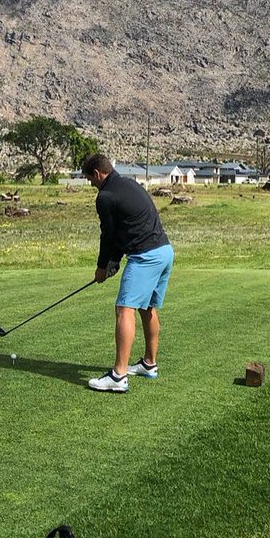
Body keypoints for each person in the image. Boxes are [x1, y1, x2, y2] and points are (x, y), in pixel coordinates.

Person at [80, 153, 174, 393]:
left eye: (90, 180)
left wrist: (103, 267)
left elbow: (108, 235)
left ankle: (118, 376)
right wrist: (114, 261)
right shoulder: (130, 184)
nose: (91, 185)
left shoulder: (105, 196)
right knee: (147, 308)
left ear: (97, 174)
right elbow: (127, 228)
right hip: (164, 251)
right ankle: (149, 364)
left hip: (145, 257)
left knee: (124, 309)